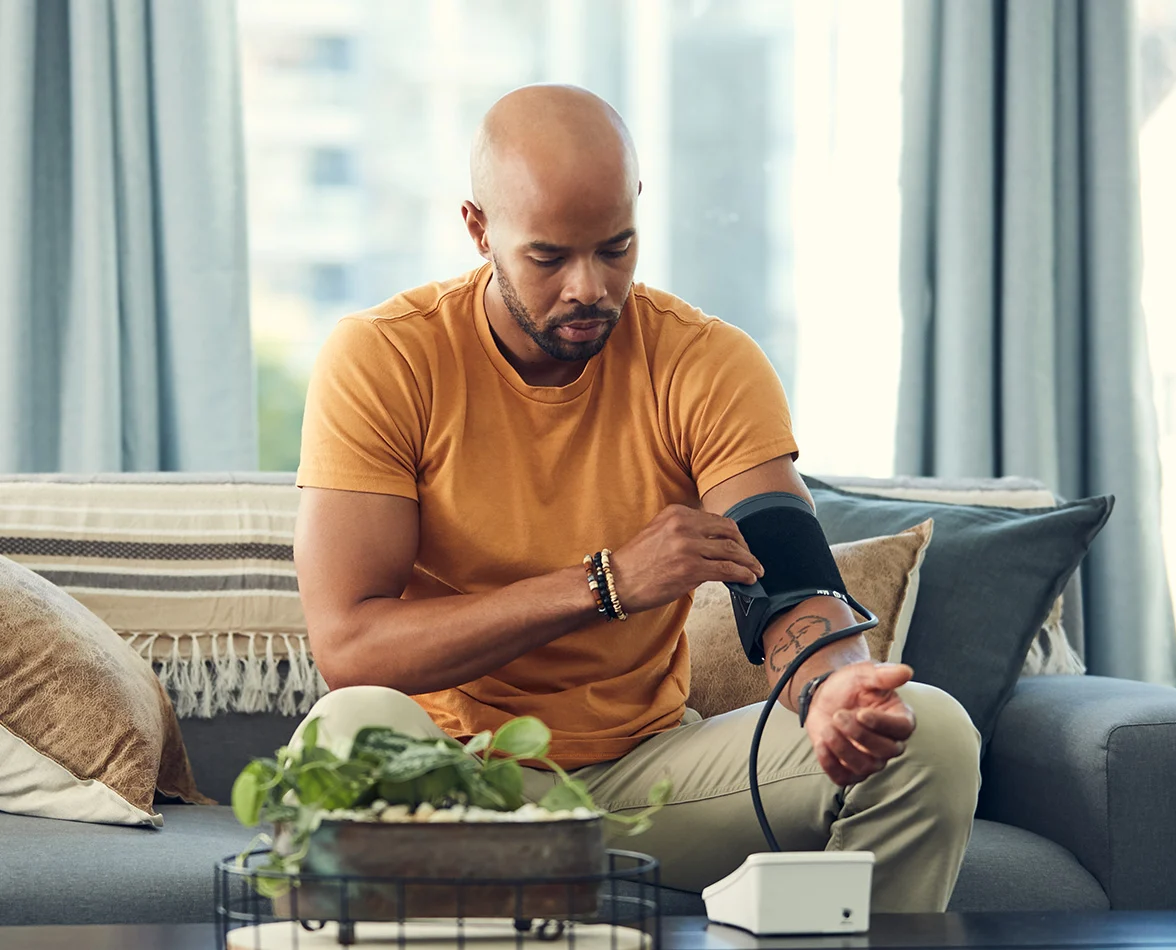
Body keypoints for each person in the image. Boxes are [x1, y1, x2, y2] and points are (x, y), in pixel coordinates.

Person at [292, 84, 980, 912]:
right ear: (479, 229)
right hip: (451, 779)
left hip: (648, 783)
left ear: (639, 210)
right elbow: (351, 647)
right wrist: (605, 582)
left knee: (930, 732)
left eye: (616, 247)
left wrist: (832, 682)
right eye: (548, 257)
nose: (589, 287)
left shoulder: (704, 361)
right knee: (347, 731)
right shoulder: (386, 358)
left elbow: (791, 578)